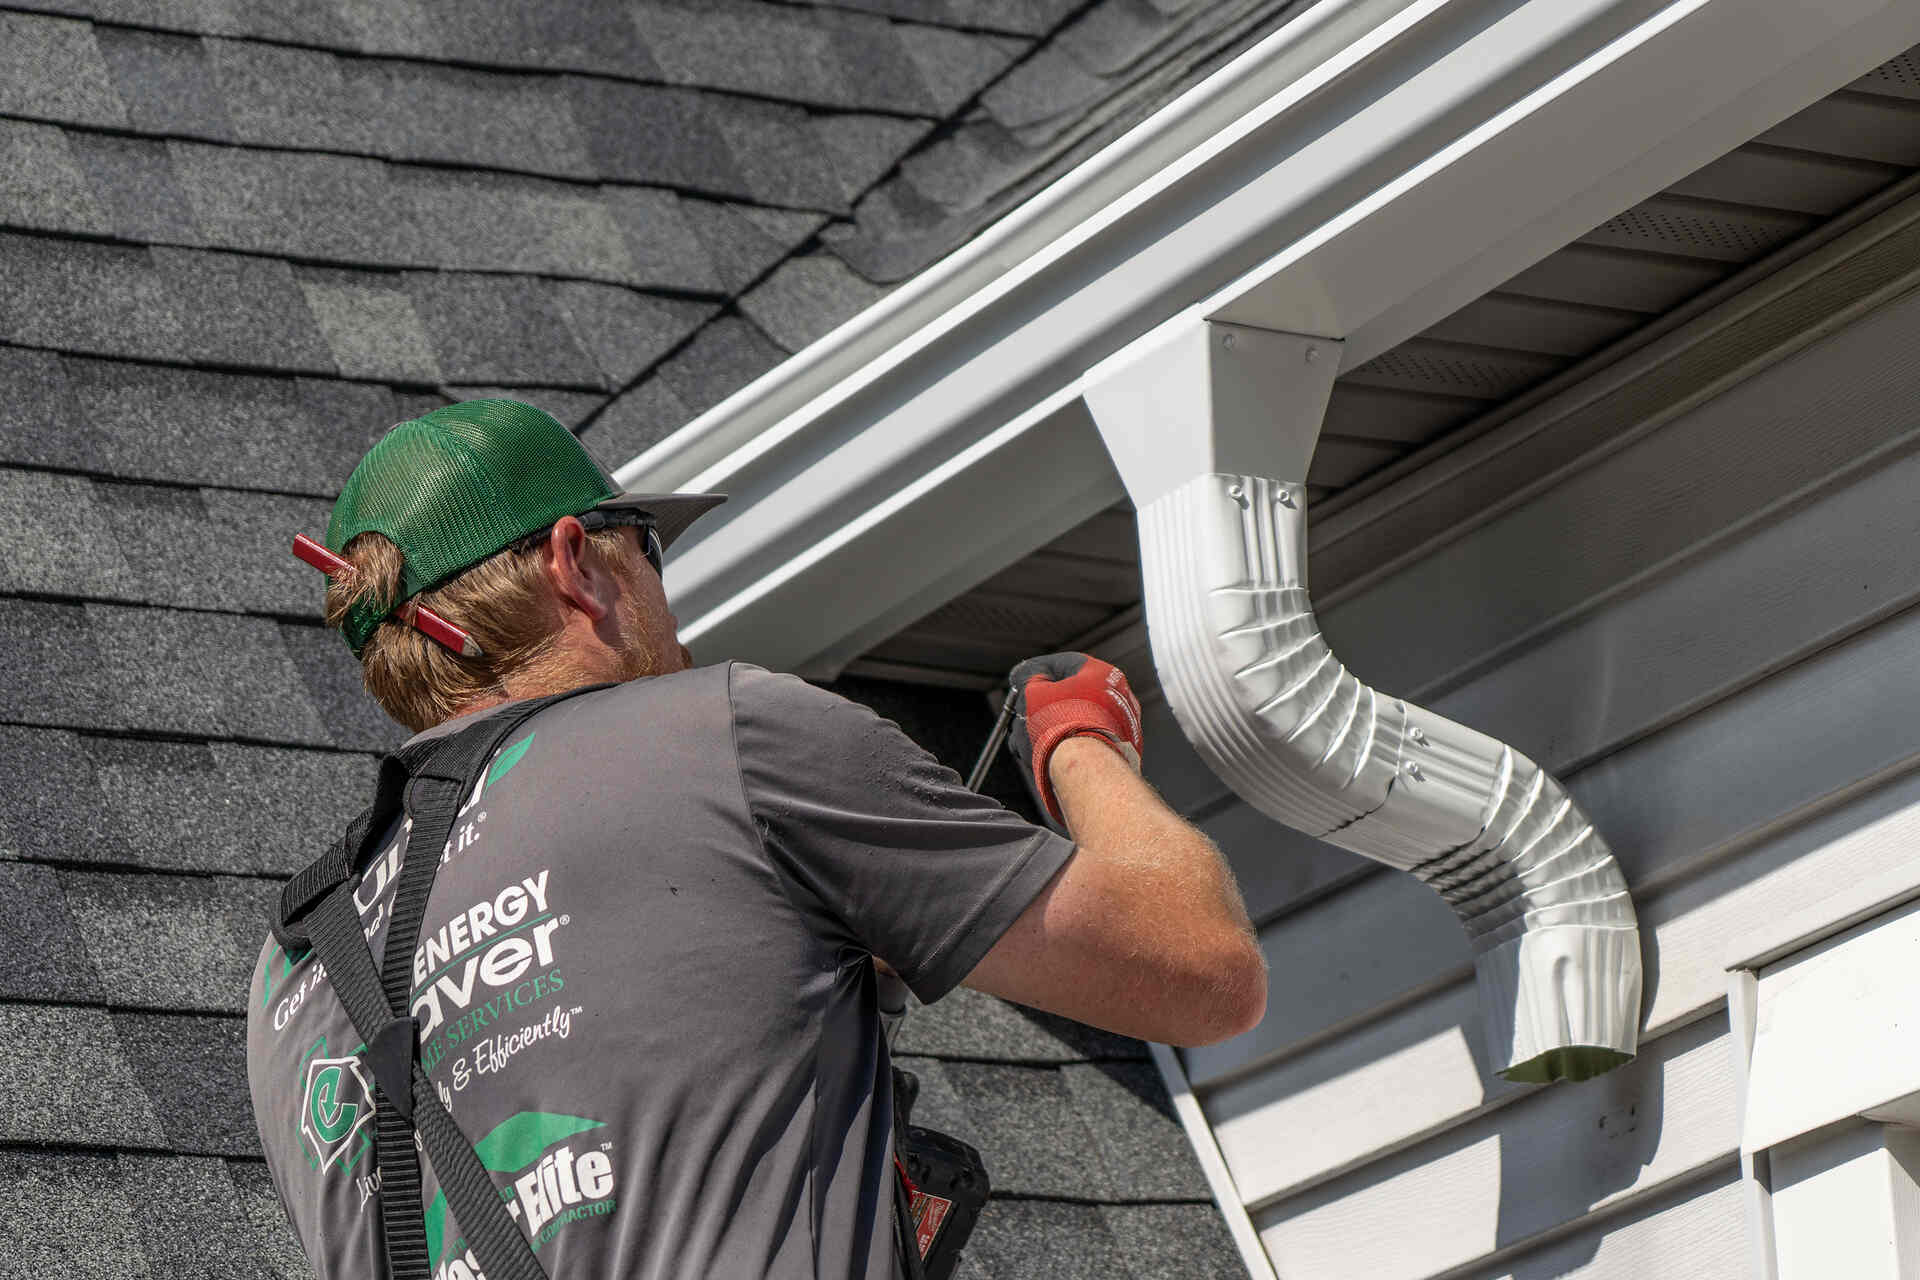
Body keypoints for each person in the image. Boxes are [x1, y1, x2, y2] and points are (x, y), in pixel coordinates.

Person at [247, 399, 1267, 1280]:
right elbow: (1202, 969)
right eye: (648, 550)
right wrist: (1082, 743)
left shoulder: (295, 973)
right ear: (574, 564)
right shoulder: (723, 734)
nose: (670, 609)